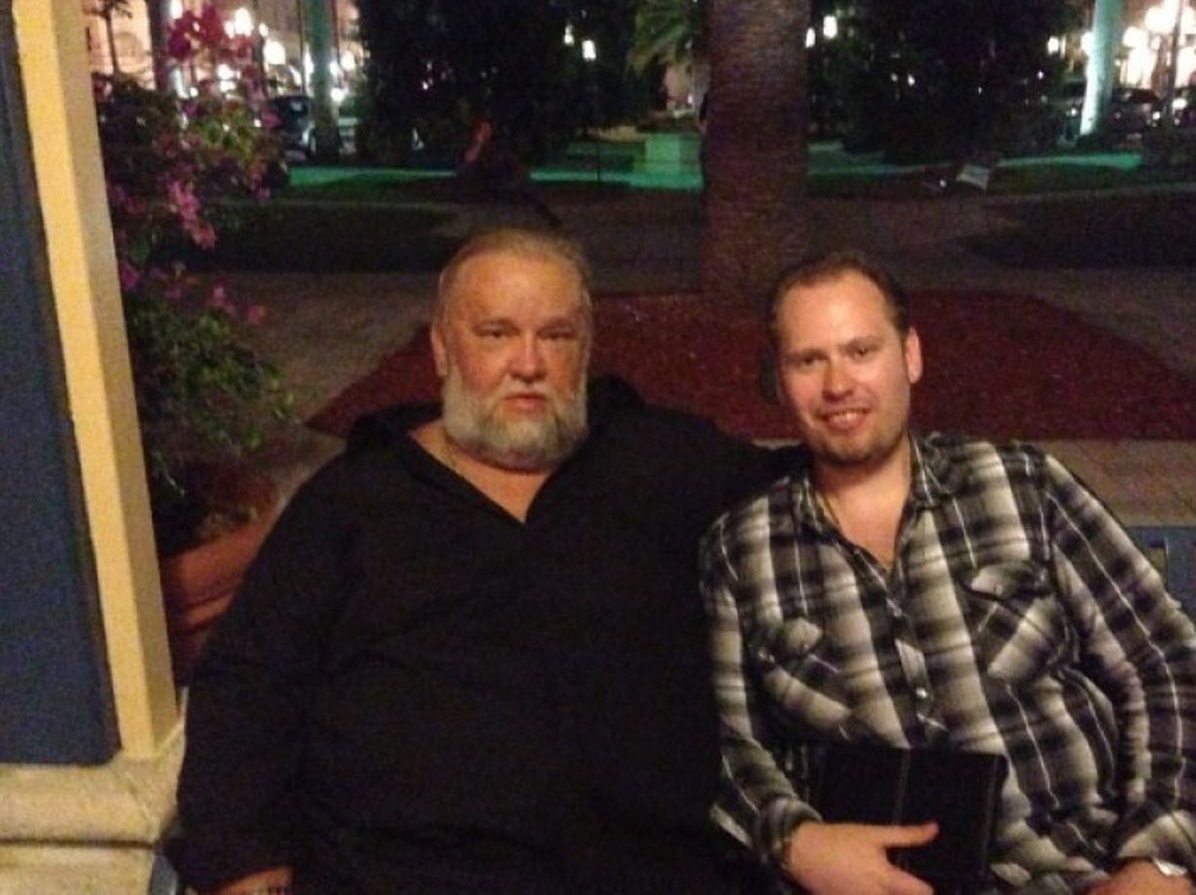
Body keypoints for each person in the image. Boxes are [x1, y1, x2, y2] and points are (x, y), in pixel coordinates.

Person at [171, 227, 789, 894]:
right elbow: (248, 687)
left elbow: (827, 495)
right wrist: (249, 869)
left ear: (586, 350)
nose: (529, 363)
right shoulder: (353, 503)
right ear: (443, 349)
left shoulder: (667, 465)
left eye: (556, 335)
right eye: (496, 333)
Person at [699, 251, 1196, 895]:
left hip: (1094, 866)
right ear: (779, 380)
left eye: (861, 351)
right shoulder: (743, 552)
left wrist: (1159, 858)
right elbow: (726, 743)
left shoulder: (1021, 488)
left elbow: (1165, 661)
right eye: (808, 360)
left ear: (910, 355)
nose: (837, 384)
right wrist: (795, 841)